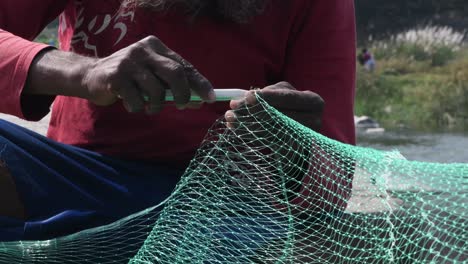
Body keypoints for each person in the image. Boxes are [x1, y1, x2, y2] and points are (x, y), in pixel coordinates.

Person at [0, 0, 356, 241]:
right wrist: (84, 71)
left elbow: (333, 176)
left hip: (222, 214)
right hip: (73, 181)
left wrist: (296, 155)